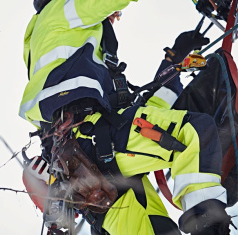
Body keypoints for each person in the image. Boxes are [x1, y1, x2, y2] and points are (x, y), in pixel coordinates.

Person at [19, 0, 233, 234]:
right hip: (93, 146)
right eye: (115, 13)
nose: (114, 16)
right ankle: (208, 225)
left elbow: (151, 109)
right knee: (193, 133)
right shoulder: (60, 10)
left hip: (96, 180)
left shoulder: (81, 68)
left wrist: (173, 61)